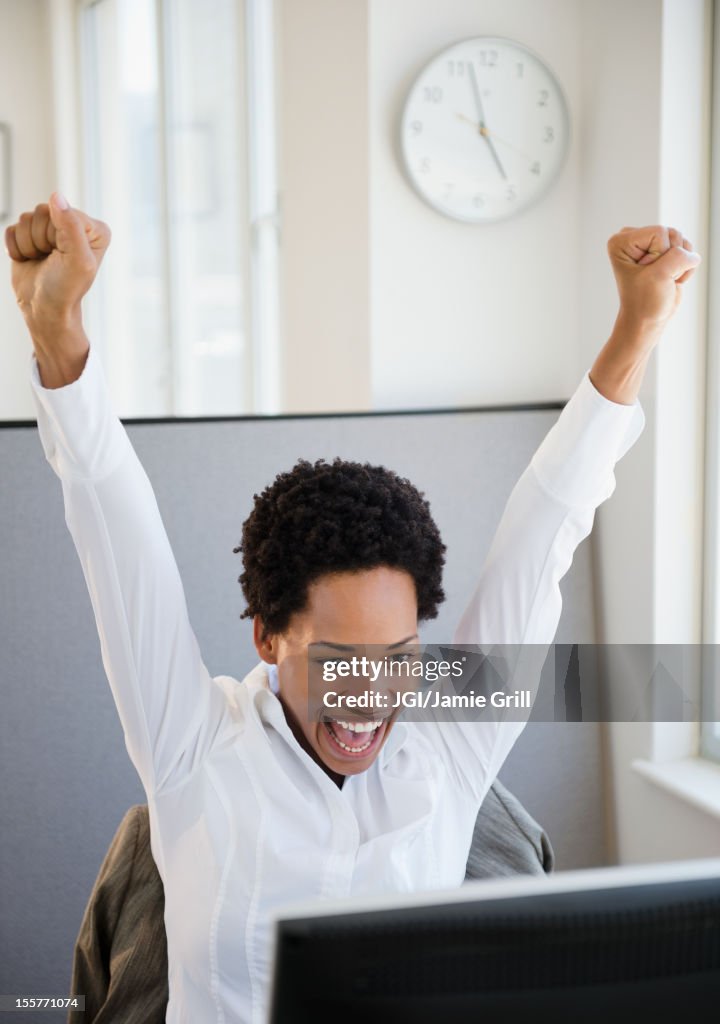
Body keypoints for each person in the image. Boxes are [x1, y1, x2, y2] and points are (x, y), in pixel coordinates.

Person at [6, 193, 700, 1024]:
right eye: (339, 661)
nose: (374, 697)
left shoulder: (449, 740)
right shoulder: (194, 747)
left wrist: (637, 329)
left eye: (399, 656)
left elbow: (546, 532)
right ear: (267, 637)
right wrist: (58, 334)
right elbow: (114, 528)